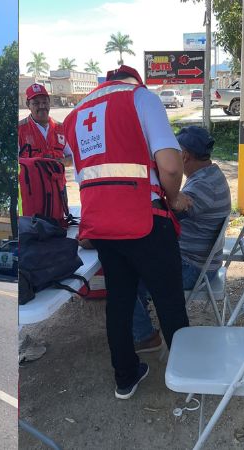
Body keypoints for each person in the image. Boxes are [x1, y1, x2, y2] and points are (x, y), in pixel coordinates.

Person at [63, 65, 191, 399]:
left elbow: (82, 176)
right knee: (169, 299)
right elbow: (172, 164)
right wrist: (175, 197)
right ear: (134, 80)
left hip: (101, 226)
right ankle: (190, 373)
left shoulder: (75, 117)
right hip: (144, 219)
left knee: (118, 300)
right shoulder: (141, 98)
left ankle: (126, 376)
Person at [132, 126, 231, 353]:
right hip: (202, 258)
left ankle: (145, 336)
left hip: (193, 267)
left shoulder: (200, 187)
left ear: (183, 156)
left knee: (126, 277)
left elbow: (162, 220)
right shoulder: (211, 175)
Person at [18, 83, 67, 160]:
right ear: (28, 105)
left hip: (56, 172)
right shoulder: (19, 129)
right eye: (36, 103)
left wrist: (59, 162)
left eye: (45, 102)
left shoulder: (62, 128)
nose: (42, 106)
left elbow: (72, 157)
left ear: (49, 103)